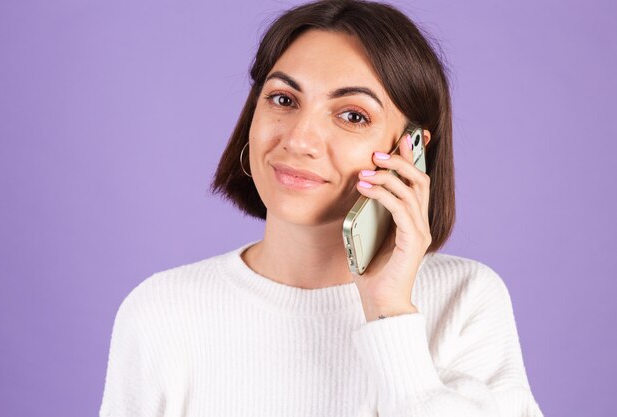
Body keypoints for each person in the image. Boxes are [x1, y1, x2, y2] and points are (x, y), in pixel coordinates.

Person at [99, 1, 544, 416]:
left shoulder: (464, 300)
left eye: (352, 115)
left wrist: (389, 309)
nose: (299, 140)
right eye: (283, 100)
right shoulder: (161, 311)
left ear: (410, 152)